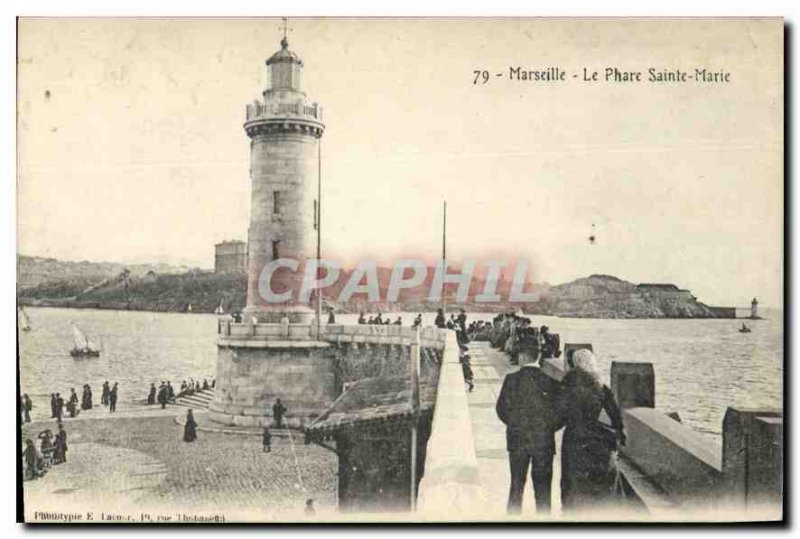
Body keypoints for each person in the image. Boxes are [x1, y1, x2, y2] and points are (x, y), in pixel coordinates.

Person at [495, 335, 563, 515]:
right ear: (538, 357)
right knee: (543, 492)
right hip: (544, 443)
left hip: (517, 440)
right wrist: (547, 428)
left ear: (523, 357)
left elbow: (501, 409)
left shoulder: (511, 380)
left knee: (516, 488)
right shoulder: (552, 382)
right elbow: (561, 414)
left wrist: (515, 424)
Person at [559, 350, 625, 513]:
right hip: (594, 436)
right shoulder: (600, 384)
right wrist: (619, 433)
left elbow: (560, 411)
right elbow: (615, 413)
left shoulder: (568, 381)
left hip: (573, 436)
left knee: (570, 479)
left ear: (575, 363)